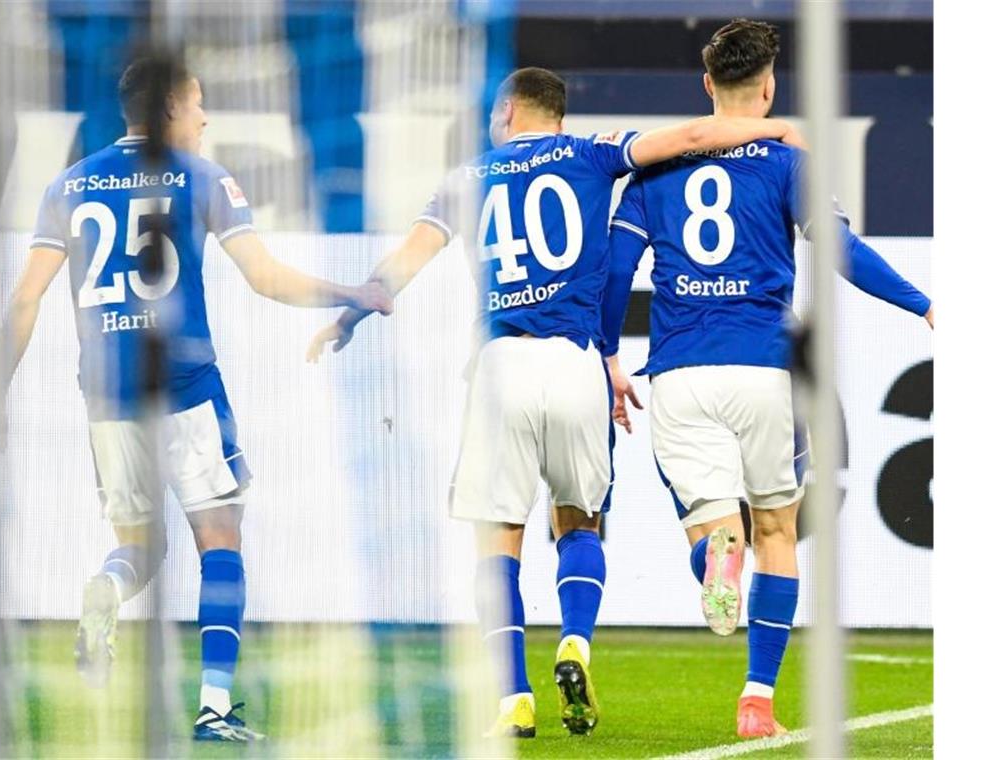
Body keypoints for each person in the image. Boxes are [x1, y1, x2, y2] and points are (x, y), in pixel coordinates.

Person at [307, 66, 804, 738]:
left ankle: (513, 695)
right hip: (575, 365)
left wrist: (351, 314)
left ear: (509, 110)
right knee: (580, 523)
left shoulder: (467, 176)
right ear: (558, 116)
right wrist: (771, 126)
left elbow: (404, 264)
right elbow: (690, 135)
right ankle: (575, 643)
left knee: (498, 539)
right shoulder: (593, 151)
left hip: (501, 364)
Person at [0, 55, 392, 742]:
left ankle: (108, 592)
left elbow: (25, 298)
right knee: (220, 540)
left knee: (139, 548)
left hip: (106, 394)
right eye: (200, 104)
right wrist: (351, 293)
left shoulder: (67, 184)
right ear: (173, 107)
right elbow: (264, 277)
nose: (207, 119)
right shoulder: (202, 177)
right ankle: (213, 706)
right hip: (185, 386)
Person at [602, 19, 933, 739]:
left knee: (717, 533)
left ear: (706, 84)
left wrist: (606, 355)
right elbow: (841, 250)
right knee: (777, 529)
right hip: (764, 372)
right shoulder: (789, 163)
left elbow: (616, 270)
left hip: (683, 374)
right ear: (770, 88)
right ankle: (757, 701)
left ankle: (715, 561)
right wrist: (927, 304)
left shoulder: (654, 169)